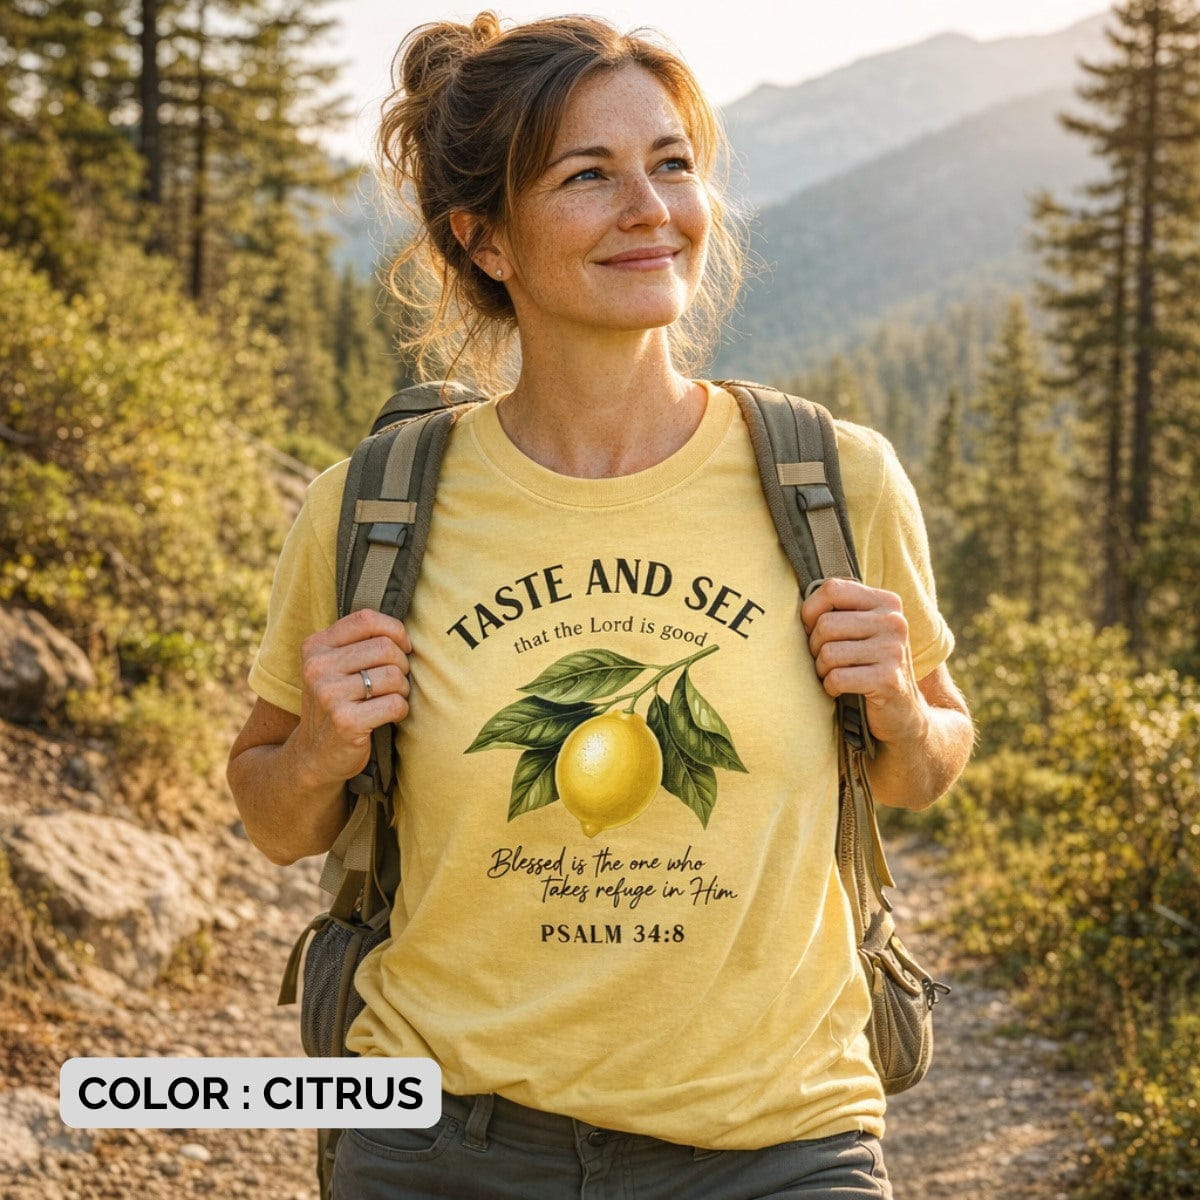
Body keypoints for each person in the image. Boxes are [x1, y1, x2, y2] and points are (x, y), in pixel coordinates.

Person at [227, 12, 974, 1199]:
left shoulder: (835, 480)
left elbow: (924, 765)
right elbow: (275, 820)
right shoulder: (370, 508)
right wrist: (320, 746)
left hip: (780, 1139)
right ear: (486, 240)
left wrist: (899, 709)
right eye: (589, 175)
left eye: (671, 165)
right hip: (439, 1144)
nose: (651, 207)